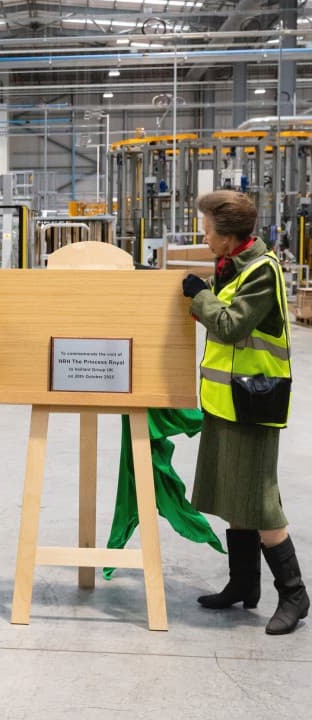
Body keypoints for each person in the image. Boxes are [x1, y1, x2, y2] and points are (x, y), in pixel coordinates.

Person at [182, 189, 309, 635]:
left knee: (260, 501)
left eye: (207, 229)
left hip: (254, 402)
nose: (203, 236)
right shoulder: (232, 265)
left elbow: (232, 325)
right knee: (235, 494)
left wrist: (201, 297)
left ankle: (294, 594)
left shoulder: (261, 271)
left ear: (229, 235)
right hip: (228, 401)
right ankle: (243, 583)